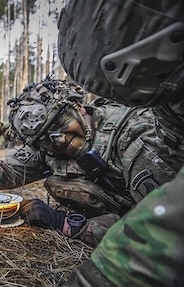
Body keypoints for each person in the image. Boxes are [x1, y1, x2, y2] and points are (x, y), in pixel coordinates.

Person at [0, 76, 181, 246]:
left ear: (78, 106)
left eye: (59, 124)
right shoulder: (49, 148)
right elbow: (8, 172)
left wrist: (67, 225)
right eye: (44, 138)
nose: (59, 139)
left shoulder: (134, 137)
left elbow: (165, 228)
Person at [56, 0, 184, 285]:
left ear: (78, 110)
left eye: (62, 126)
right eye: (49, 138)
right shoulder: (169, 100)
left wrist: (113, 271)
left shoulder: (133, 132)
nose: (61, 139)